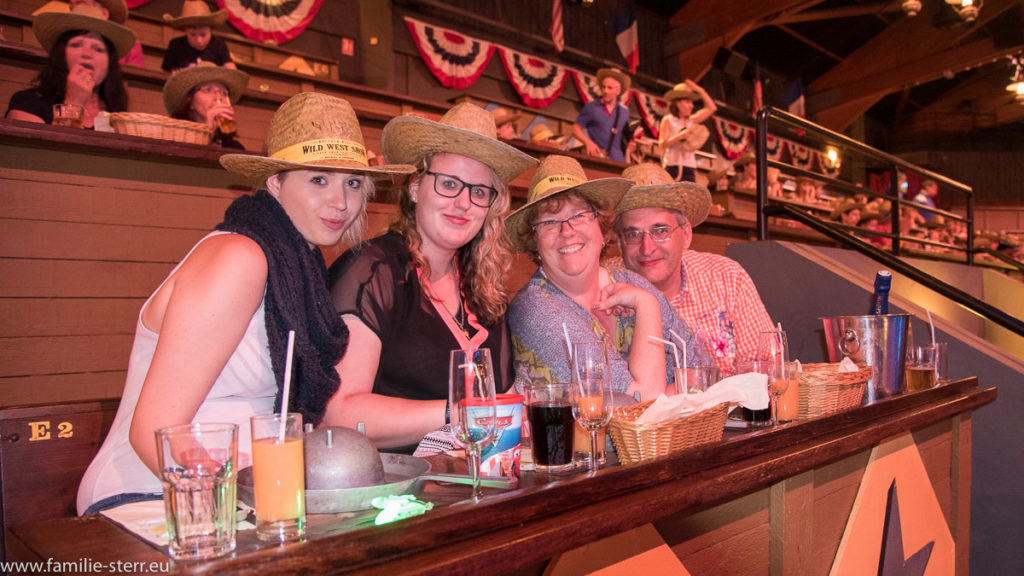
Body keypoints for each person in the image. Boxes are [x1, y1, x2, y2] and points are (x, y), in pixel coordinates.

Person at [76, 92, 416, 515]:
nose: (340, 202)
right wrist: (234, 516)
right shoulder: (240, 257)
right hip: (155, 498)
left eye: (351, 183)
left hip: (251, 498)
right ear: (275, 183)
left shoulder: (297, 264)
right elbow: (154, 431)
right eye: (318, 179)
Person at [325, 102, 537, 453]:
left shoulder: (484, 287)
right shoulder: (372, 271)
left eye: (479, 192)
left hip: (479, 485)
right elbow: (339, 413)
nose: (463, 203)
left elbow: (506, 400)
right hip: (395, 489)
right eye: (449, 184)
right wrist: (461, 412)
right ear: (414, 188)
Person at [506, 155, 703, 399]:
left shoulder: (630, 281)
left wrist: (666, 395)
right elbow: (644, 403)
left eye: (579, 215)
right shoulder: (535, 310)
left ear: (601, 229)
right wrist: (646, 305)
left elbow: (704, 371)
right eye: (549, 222)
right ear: (534, 242)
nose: (567, 231)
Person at [609, 163, 774, 375]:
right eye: (633, 234)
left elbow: (768, 368)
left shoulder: (727, 278)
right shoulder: (603, 288)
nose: (647, 248)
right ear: (620, 243)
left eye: (660, 230)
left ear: (686, 234)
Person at [5, 4, 134, 127]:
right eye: (76, 44)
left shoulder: (116, 115)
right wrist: (74, 104)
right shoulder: (29, 103)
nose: (87, 54)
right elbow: (40, 149)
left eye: (98, 49)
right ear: (60, 55)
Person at [163, 62, 249, 148]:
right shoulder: (175, 139)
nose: (218, 97)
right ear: (190, 101)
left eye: (224, 93)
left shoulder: (234, 148)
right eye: (207, 90)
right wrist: (206, 133)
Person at [659, 79, 716, 182]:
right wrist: (679, 136)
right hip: (673, 166)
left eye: (692, 102)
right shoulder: (668, 120)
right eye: (687, 101)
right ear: (678, 103)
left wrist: (700, 90)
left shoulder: (692, 121)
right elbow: (662, 144)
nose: (691, 105)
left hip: (689, 166)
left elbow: (711, 108)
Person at [573, 68, 631, 162]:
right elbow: (575, 129)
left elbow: (625, 138)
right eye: (603, 87)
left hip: (619, 160)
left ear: (618, 91)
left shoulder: (625, 112)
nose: (605, 91)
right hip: (597, 158)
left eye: (610, 88)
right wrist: (587, 142)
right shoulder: (591, 107)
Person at [161, 0, 237, 72]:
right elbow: (166, 73)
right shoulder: (175, 45)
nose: (198, 40)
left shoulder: (219, 45)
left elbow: (231, 70)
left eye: (203, 35)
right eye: (192, 34)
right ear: (185, 31)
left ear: (210, 31)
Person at [68, 0, 145, 68]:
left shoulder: (131, 47)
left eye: (81, 4)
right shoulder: (64, 40)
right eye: (71, 7)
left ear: (104, 13)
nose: (75, 10)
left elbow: (136, 81)